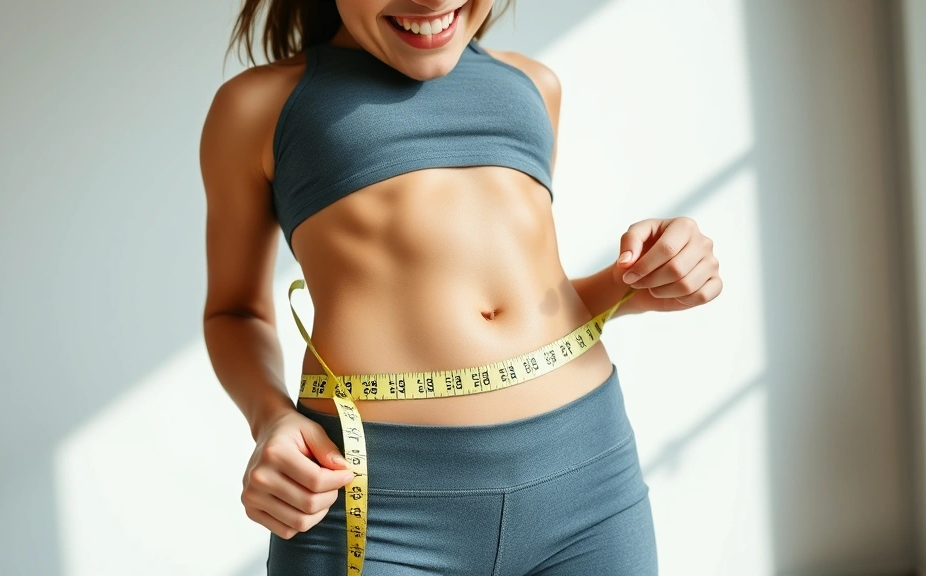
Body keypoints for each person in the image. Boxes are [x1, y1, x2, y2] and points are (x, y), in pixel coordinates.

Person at [199, 1, 722, 574]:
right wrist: (271, 418)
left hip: (588, 478)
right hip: (372, 502)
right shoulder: (260, 108)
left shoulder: (533, 85)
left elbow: (519, 295)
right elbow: (234, 311)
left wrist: (635, 284)